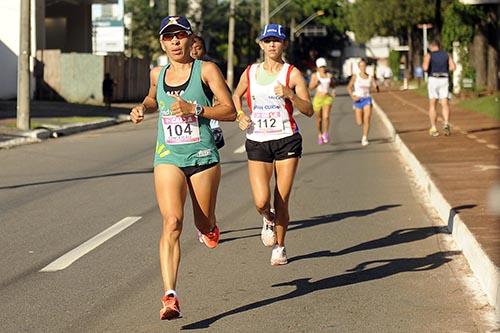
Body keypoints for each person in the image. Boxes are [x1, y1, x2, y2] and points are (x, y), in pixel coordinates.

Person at [129, 16, 236, 320]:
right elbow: (153, 98)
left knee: (203, 225)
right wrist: (142, 108)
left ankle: (210, 227)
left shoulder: (207, 70)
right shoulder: (157, 73)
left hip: (203, 155)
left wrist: (196, 109)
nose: (174, 42)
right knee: (172, 221)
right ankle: (170, 296)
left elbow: (229, 110)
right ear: (162, 43)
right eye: (168, 37)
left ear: (191, 39)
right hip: (168, 156)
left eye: (180, 36)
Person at [232, 23, 313, 266]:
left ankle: (280, 246)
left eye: (276, 41)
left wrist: (290, 94)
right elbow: (236, 95)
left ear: (284, 44)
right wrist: (239, 114)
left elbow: (308, 110)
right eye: (267, 41)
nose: (272, 45)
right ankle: (267, 218)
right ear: (261, 44)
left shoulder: (292, 73)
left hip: (286, 138)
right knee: (260, 200)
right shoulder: (250, 72)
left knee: (282, 198)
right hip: (257, 139)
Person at [190, 35, 226, 149]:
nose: (194, 52)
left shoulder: (211, 71)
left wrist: (218, 102)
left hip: (209, 128)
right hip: (187, 129)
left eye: (198, 48)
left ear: (204, 51)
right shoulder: (176, 73)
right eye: (191, 48)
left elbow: (227, 100)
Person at [422, 39, 456, 137]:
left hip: (433, 79)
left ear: (431, 47)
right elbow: (453, 67)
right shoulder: (446, 55)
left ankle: (433, 127)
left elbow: (425, 68)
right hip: (444, 79)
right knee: (445, 103)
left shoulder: (429, 55)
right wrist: (445, 68)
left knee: (433, 104)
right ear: (439, 46)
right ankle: (446, 123)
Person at [347, 58, 379, 146]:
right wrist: (353, 96)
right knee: (359, 122)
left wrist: (376, 87)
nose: (363, 68)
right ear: (358, 67)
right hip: (358, 100)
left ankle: (364, 138)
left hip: (367, 99)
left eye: (364, 66)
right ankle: (356, 108)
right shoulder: (355, 76)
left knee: (367, 118)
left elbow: (376, 87)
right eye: (361, 66)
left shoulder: (370, 77)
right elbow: (349, 87)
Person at [309, 57, 336, 144]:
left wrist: (333, 90)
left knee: (326, 117)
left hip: (327, 98)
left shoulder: (329, 75)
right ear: (317, 67)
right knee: (319, 119)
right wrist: (316, 83)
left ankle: (325, 133)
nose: (323, 68)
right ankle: (320, 134)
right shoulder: (315, 75)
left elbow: (332, 85)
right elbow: (310, 87)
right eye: (321, 67)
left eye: (324, 66)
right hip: (318, 99)